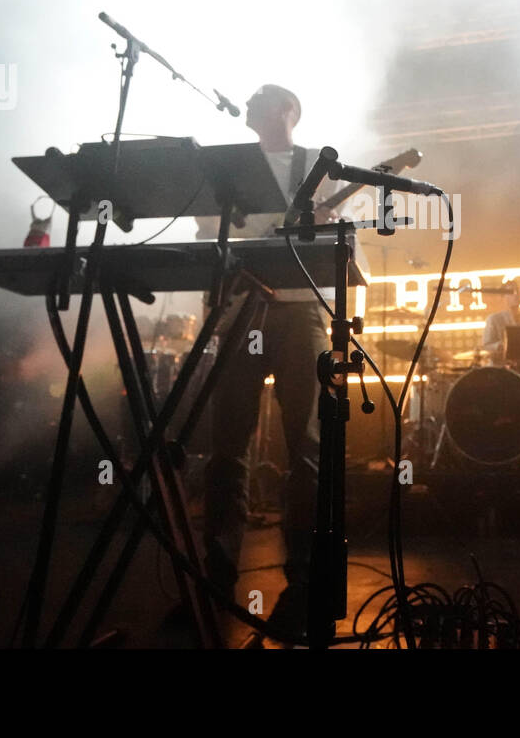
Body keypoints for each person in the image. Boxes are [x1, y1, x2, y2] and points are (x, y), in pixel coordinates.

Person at [195, 83, 343, 641]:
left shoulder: (317, 165)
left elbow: (338, 238)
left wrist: (319, 220)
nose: (248, 101)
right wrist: (250, 230)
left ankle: (304, 586)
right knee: (226, 444)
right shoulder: (230, 167)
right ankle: (213, 579)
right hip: (240, 309)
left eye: (261, 96)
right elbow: (206, 229)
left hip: (301, 309)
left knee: (305, 444)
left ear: (288, 110)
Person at [480, 287, 520, 365]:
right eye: (511, 293)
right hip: (499, 368)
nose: (515, 296)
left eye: (518, 293)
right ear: (503, 297)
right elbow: (486, 345)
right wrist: (500, 346)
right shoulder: (494, 319)